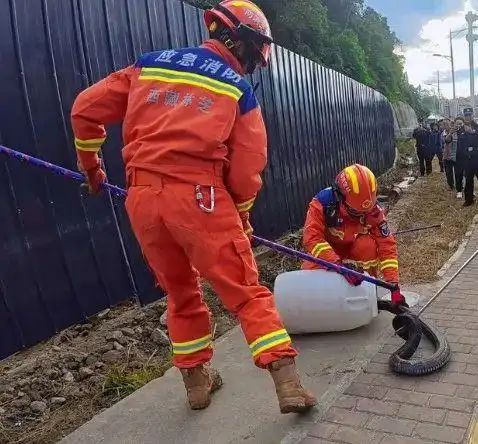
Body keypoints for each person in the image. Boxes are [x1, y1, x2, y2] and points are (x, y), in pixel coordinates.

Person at [70, 0, 316, 414]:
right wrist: (241, 215)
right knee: (246, 292)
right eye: (254, 59)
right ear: (240, 43)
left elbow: (84, 109)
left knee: (180, 293)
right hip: (200, 199)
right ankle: (288, 385)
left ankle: (197, 386)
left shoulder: (148, 65)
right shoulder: (237, 88)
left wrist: (93, 170)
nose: (251, 68)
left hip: (142, 199)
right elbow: (248, 165)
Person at [301, 164, 407, 307]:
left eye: (366, 211)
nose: (363, 216)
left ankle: (367, 291)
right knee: (310, 281)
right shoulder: (322, 204)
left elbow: (386, 246)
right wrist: (337, 265)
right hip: (328, 253)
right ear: (340, 197)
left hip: (353, 252)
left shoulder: (373, 211)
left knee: (367, 246)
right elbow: (312, 239)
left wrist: (393, 284)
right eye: (356, 212)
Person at [444, 118, 462, 191]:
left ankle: (460, 186)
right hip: (448, 156)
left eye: (460, 123)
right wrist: (450, 133)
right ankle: (451, 185)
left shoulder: (462, 132)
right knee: (449, 172)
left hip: (458, 156)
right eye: (457, 123)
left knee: (459, 173)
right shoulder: (449, 133)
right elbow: (446, 141)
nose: (458, 125)